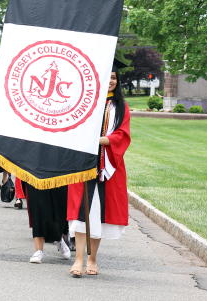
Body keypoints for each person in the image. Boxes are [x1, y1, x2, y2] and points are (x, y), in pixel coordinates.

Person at [67, 58, 131, 277]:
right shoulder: (88, 102)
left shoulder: (121, 107)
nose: (111, 81)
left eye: (114, 77)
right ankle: (77, 261)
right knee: (80, 213)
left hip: (108, 165)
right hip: (83, 163)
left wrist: (98, 140)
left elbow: (122, 136)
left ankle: (92, 259)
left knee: (98, 214)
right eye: (108, 77)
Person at [23, 179, 71, 264]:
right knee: (37, 204)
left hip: (60, 168)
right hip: (36, 168)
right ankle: (38, 250)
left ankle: (59, 238)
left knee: (62, 202)